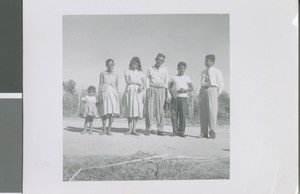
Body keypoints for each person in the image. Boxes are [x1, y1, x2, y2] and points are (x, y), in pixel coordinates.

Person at [198, 54, 224, 139]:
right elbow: (201, 82)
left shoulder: (217, 71)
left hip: (212, 89)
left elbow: (221, 84)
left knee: (212, 112)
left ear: (212, 62)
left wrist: (216, 94)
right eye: (205, 60)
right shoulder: (203, 72)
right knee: (203, 112)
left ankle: (212, 133)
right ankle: (203, 133)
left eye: (207, 61)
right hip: (203, 90)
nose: (205, 62)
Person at [144, 53, 168, 136]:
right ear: (155, 59)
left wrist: (165, 92)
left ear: (163, 61)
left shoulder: (165, 69)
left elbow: (166, 81)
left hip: (161, 89)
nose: (160, 61)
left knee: (160, 110)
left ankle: (160, 129)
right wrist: (147, 89)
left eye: (162, 60)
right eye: (158, 59)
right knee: (149, 109)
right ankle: (148, 129)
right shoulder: (150, 68)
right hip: (152, 88)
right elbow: (147, 79)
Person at [169, 62, 193, 138]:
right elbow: (169, 87)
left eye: (183, 68)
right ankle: (175, 131)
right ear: (177, 68)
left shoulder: (187, 77)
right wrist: (172, 94)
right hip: (175, 97)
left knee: (182, 114)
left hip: (183, 97)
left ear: (185, 69)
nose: (181, 69)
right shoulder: (173, 77)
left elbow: (191, 88)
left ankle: (181, 131)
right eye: (180, 68)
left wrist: (185, 90)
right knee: (174, 114)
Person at [123, 57, 146, 136]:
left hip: (138, 91)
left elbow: (144, 83)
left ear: (138, 65)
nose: (134, 65)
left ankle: (134, 129)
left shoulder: (141, 72)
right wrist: (138, 82)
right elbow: (128, 81)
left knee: (136, 109)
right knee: (130, 109)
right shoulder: (127, 71)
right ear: (131, 63)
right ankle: (129, 129)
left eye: (136, 64)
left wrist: (141, 86)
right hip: (129, 90)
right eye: (133, 63)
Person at [98, 59, 120, 135]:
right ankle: (104, 129)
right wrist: (99, 94)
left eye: (111, 65)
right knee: (104, 111)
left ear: (113, 65)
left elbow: (117, 85)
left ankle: (109, 129)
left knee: (112, 112)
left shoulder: (116, 74)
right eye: (108, 65)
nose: (110, 66)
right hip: (104, 93)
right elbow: (100, 84)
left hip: (113, 94)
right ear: (106, 65)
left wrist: (118, 94)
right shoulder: (102, 73)